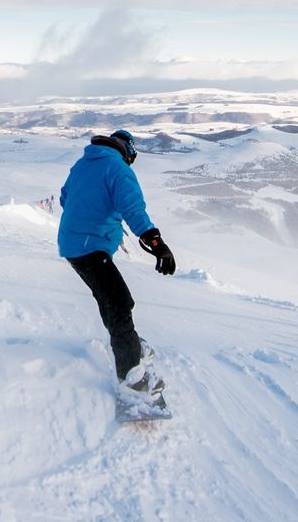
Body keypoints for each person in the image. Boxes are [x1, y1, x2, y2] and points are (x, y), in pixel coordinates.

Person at [57, 130, 176, 397]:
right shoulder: (118, 168)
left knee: (110, 300)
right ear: (128, 151)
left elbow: (65, 198)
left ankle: (128, 344)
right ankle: (133, 381)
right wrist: (157, 245)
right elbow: (133, 209)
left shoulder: (83, 164)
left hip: (72, 245)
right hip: (90, 247)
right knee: (120, 304)